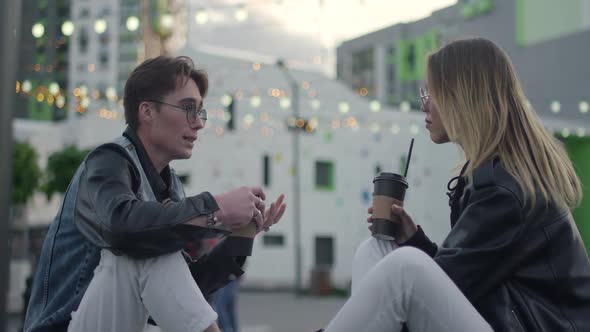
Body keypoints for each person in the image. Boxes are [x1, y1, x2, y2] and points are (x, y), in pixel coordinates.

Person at [320, 38, 590, 332]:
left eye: (430, 94)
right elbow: (468, 273)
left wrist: (414, 252)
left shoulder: (505, 188)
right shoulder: (500, 175)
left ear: (461, 98)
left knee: (405, 268)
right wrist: (414, 240)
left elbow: (454, 284)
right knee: (375, 249)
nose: (423, 104)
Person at [23, 55, 286, 332]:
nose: (198, 123)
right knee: (145, 243)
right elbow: (122, 228)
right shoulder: (107, 162)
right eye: (188, 108)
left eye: (200, 112)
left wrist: (240, 238)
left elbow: (182, 291)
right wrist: (216, 208)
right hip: (63, 326)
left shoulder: (169, 186)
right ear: (146, 111)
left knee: (155, 244)